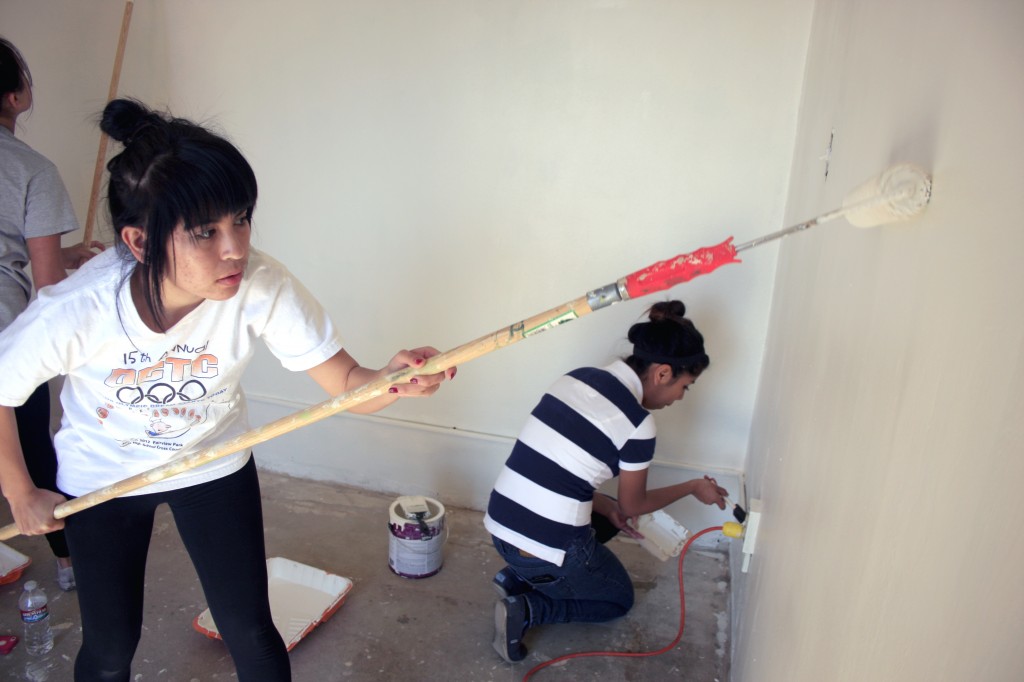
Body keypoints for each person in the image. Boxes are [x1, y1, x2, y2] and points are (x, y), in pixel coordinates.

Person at [0, 97, 456, 681]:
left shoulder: (259, 284)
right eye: (204, 232)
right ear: (140, 243)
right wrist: (19, 491)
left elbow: (345, 384)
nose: (235, 247)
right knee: (111, 647)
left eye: (240, 218)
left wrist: (393, 380)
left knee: (251, 630)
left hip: (212, 463)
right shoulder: (78, 311)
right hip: (102, 479)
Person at [483, 300, 729, 663]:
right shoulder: (638, 423)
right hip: (541, 547)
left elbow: (558, 471)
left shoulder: (577, 378)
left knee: (609, 518)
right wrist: (693, 487)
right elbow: (636, 506)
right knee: (616, 598)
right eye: (685, 387)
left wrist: (609, 507)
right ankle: (528, 609)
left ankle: (517, 576)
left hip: (501, 527)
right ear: (662, 373)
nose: (679, 397)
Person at [0, 36, 104, 592]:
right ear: (17, 96)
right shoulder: (29, 169)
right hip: (5, 335)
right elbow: (47, 291)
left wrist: (60, 256)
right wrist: (75, 269)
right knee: (35, 445)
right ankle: (69, 561)